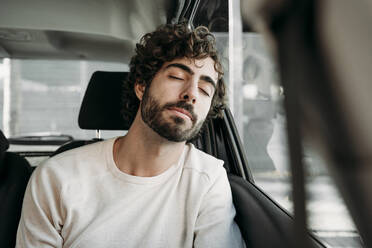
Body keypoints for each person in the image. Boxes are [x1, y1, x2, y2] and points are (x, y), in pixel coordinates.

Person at [16, 23, 246, 248]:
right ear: (142, 86)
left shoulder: (209, 180)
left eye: (205, 90)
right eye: (176, 76)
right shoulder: (56, 177)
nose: (191, 94)